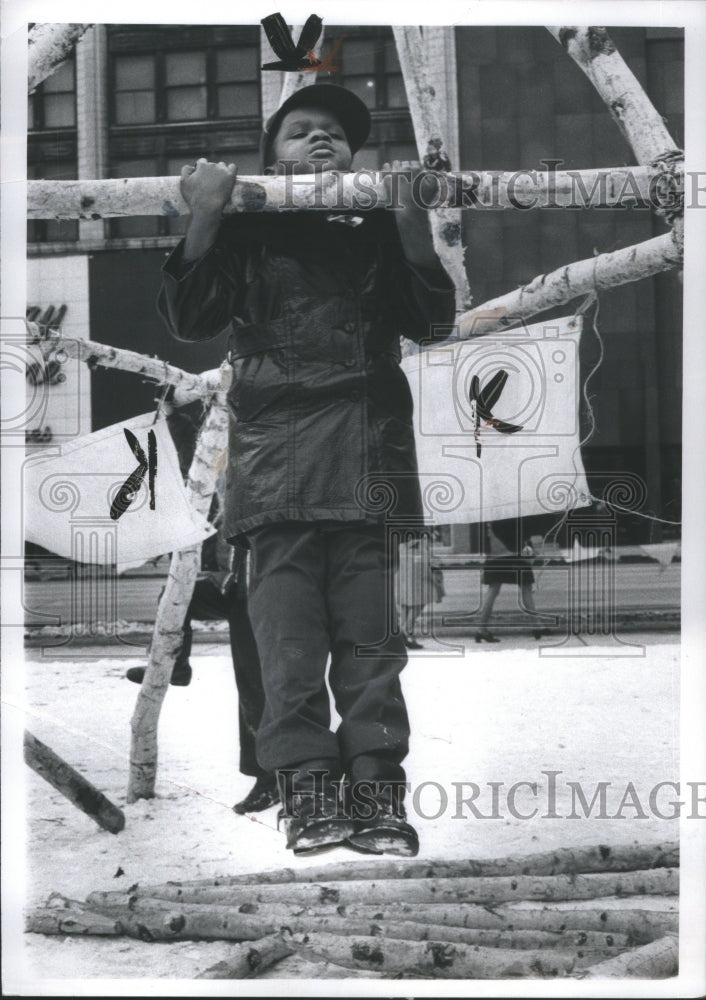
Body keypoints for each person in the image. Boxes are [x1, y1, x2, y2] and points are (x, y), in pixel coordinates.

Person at [157, 83, 456, 855]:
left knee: (369, 645)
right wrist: (206, 217)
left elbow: (432, 321)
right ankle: (308, 794)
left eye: (333, 133)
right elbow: (192, 318)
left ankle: (379, 794)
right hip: (276, 466)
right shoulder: (247, 231)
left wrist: (412, 225)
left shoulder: (377, 226)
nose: (320, 140)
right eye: (299, 132)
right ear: (269, 157)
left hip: (367, 454)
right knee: (288, 646)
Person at [125, 398, 278, 815]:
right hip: (235, 583)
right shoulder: (222, 463)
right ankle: (177, 664)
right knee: (177, 593)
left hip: (265, 583)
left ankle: (273, 776)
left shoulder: (266, 458)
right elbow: (199, 443)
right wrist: (174, 412)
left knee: (257, 683)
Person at [476, 519, 550, 643]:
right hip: (515, 556)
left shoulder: (492, 513)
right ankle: (537, 626)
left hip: (495, 556)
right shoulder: (512, 511)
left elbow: (488, 538)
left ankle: (481, 629)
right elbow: (521, 537)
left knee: (493, 591)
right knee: (526, 588)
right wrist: (531, 552)